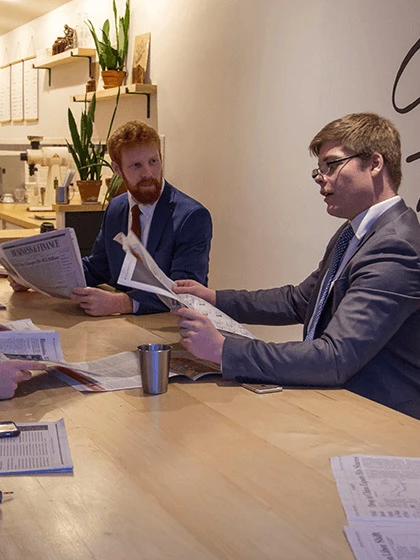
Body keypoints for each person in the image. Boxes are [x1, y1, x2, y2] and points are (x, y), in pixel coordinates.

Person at [172, 112, 420, 419]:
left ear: (374, 163)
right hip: (341, 404)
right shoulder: (354, 232)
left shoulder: (395, 246)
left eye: (331, 165)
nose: (322, 180)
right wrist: (214, 298)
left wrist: (224, 350)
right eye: (318, 171)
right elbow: (299, 300)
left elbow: (334, 357)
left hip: (380, 421)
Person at [46, 120, 210, 316]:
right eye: (136, 165)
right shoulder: (116, 208)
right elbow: (98, 266)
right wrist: (40, 277)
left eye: (153, 161)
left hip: (168, 329)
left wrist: (121, 304)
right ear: (117, 169)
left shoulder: (191, 217)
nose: (148, 173)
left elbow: (185, 294)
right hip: (121, 327)